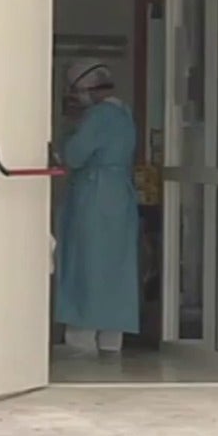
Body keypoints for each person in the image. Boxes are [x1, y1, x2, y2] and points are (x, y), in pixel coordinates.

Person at [54, 62, 141, 354]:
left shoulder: (97, 116)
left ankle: (81, 339)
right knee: (115, 267)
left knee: (87, 264)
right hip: (119, 195)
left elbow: (74, 155)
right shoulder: (123, 113)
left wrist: (69, 131)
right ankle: (110, 340)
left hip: (94, 194)